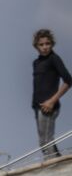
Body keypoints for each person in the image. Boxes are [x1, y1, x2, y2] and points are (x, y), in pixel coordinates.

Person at [33, 29, 72, 161]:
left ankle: (54, 165)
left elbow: (68, 80)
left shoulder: (54, 59)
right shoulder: (36, 63)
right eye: (41, 44)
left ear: (52, 44)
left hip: (49, 106)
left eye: (47, 44)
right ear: (36, 46)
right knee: (43, 142)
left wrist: (52, 101)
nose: (45, 47)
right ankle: (57, 161)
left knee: (46, 142)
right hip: (38, 107)